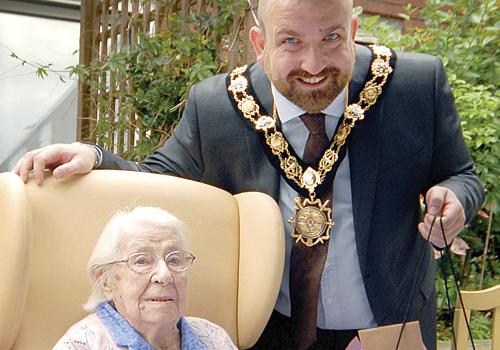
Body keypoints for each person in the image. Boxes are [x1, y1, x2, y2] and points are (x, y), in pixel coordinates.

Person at [15, 0, 484, 349]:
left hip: (391, 327)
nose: (314, 64)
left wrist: (456, 198)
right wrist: (95, 155)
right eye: (291, 41)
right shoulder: (218, 107)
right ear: (260, 44)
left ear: (354, 29)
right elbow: (159, 179)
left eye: (332, 38)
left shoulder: (415, 86)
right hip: (273, 333)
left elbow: (461, 173)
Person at [53, 206, 237, 349]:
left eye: (174, 259)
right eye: (142, 261)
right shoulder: (83, 344)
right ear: (106, 281)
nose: (164, 275)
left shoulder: (212, 337)